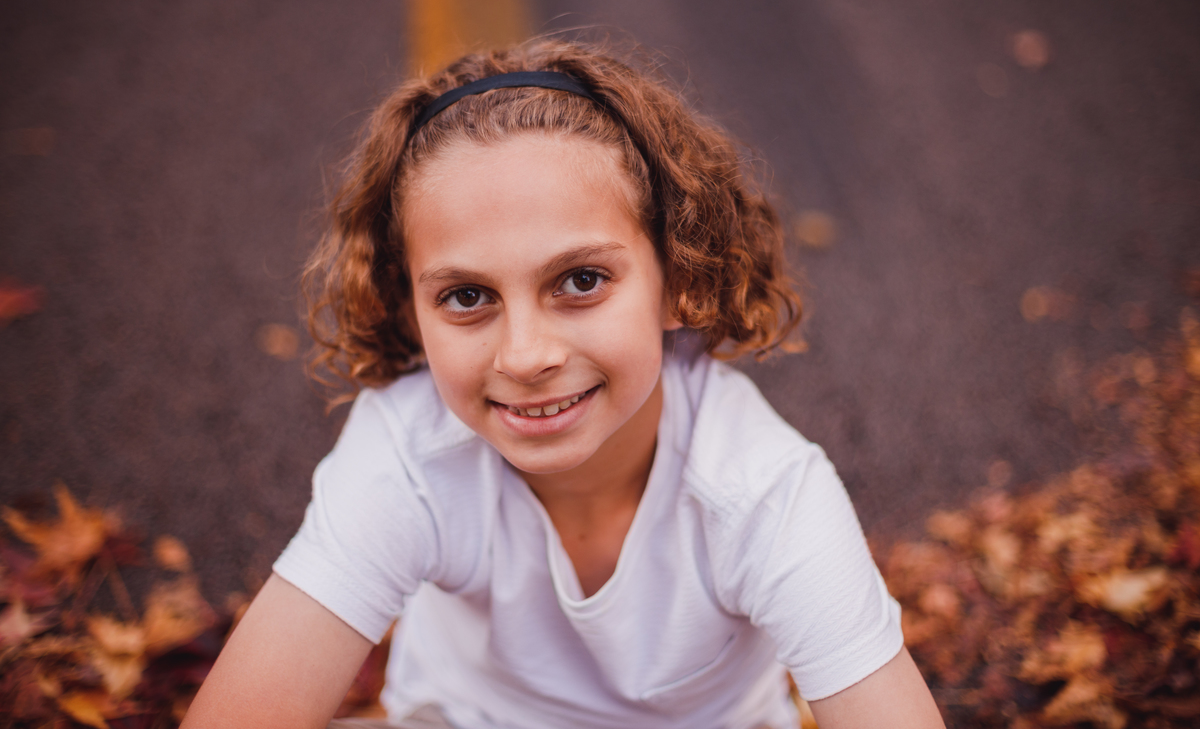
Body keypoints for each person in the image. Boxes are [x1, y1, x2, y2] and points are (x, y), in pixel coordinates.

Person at [182, 39, 944, 729]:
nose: (524, 355)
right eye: (467, 296)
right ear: (410, 310)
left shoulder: (764, 494)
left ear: (681, 280)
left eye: (580, 280)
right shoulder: (409, 454)